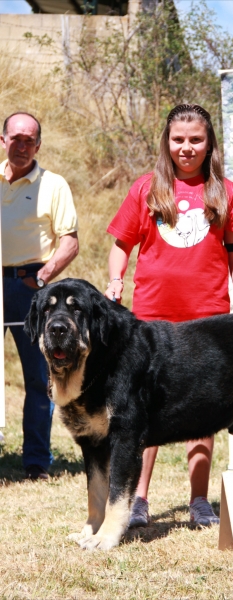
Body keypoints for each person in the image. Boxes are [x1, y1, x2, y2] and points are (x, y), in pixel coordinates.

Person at [105, 103, 233, 526]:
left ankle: (199, 501)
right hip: (151, 317)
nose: (186, 148)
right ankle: (138, 499)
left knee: (204, 406)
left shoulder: (226, 192)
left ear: (209, 144)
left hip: (208, 318)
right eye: (178, 140)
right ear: (166, 143)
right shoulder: (146, 189)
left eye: (195, 140)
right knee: (142, 407)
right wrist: (116, 281)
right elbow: (121, 243)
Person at [0, 112, 79, 480]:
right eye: (15, 137)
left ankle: (35, 461)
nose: (22, 145)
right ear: (3, 140)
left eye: (29, 139)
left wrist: (45, 275)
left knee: (37, 377)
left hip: (31, 287)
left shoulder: (54, 185)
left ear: (38, 145)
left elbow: (70, 241)